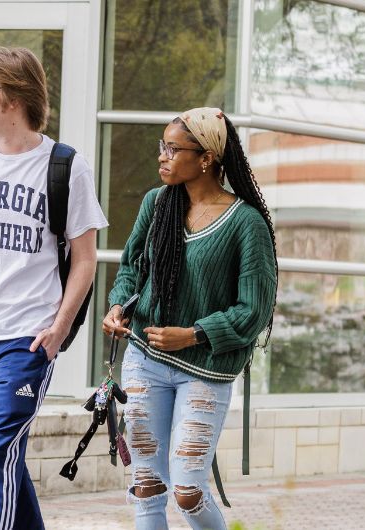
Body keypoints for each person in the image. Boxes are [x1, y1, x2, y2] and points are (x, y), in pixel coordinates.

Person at [0, 46, 106, 530]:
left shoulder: (67, 166)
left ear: (13, 95)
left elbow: (85, 260)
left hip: (24, 340)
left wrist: (58, 328)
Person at [101, 107, 276, 530]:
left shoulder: (246, 224)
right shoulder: (157, 203)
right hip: (144, 358)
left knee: (188, 489)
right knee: (146, 483)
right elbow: (131, 269)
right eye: (162, 146)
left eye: (173, 148)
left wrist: (195, 334)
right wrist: (118, 305)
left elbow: (254, 309)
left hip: (205, 371)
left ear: (206, 158)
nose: (162, 156)